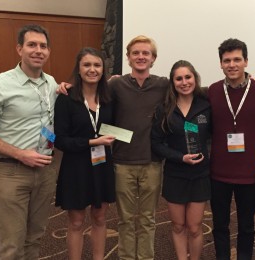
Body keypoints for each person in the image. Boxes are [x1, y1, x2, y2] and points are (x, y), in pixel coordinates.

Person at [0, 24, 58, 259]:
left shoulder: (51, 84)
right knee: (12, 244)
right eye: (32, 45)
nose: (38, 50)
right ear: (19, 49)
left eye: (43, 46)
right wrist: (20, 153)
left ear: (48, 51)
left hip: (46, 171)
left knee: (35, 237)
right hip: (12, 172)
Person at [108, 35, 169, 260]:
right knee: (124, 219)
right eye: (136, 53)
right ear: (128, 57)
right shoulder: (116, 84)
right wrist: (65, 86)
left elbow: (191, 89)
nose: (141, 57)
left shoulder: (163, 84)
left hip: (152, 162)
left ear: (153, 59)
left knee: (147, 219)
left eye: (146, 53)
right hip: (122, 162)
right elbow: (90, 98)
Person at [208, 39, 255, 260]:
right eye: (227, 60)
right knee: (219, 224)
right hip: (218, 172)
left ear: (246, 61)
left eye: (237, 59)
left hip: (250, 173)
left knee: (247, 226)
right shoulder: (213, 91)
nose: (232, 64)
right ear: (221, 64)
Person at [53, 47, 116, 260]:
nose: (92, 69)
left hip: (102, 165)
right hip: (75, 167)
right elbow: (59, 140)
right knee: (77, 221)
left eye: (97, 65)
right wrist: (92, 141)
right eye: (87, 65)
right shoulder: (66, 98)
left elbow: (114, 128)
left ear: (103, 69)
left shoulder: (108, 98)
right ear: (78, 70)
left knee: (99, 218)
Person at [151, 60, 211, 260]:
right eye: (179, 78)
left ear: (195, 78)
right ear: (172, 82)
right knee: (178, 226)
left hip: (200, 175)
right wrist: (180, 157)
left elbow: (216, 137)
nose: (184, 82)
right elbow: (156, 144)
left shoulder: (207, 106)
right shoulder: (165, 109)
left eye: (188, 77)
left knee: (194, 227)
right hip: (175, 174)